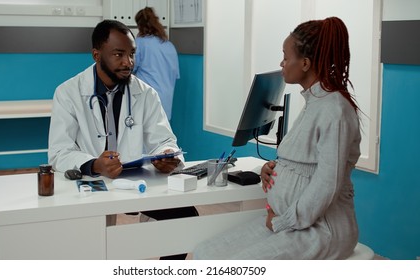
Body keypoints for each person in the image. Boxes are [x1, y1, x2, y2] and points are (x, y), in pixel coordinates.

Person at [193, 17, 361, 259]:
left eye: (285, 56)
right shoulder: (314, 102)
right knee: (204, 254)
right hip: (286, 221)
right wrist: (274, 169)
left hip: (321, 230)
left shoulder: (334, 110)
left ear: (304, 63)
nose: (281, 63)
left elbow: (327, 184)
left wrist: (283, 222)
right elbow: (307, 163)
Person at [48, 19, 198, 260]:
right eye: (118, 54)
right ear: (96, 54)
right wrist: (95, 163)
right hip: (91, 182)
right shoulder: (68, 93)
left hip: (134, 182)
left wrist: (167, 154)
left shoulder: (145, 92)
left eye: (132, 54)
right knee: (90, 248)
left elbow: (164, 139)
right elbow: (59, 153)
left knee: (183, 217)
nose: (128, 63)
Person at [133, 7, 180, 120]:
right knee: (161, 135)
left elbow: (129, 68)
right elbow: (175, 75)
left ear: (140, 26)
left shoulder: (139, 43)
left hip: (147, 100)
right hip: (166, 102)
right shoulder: (169, 46)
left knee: (142, 135)